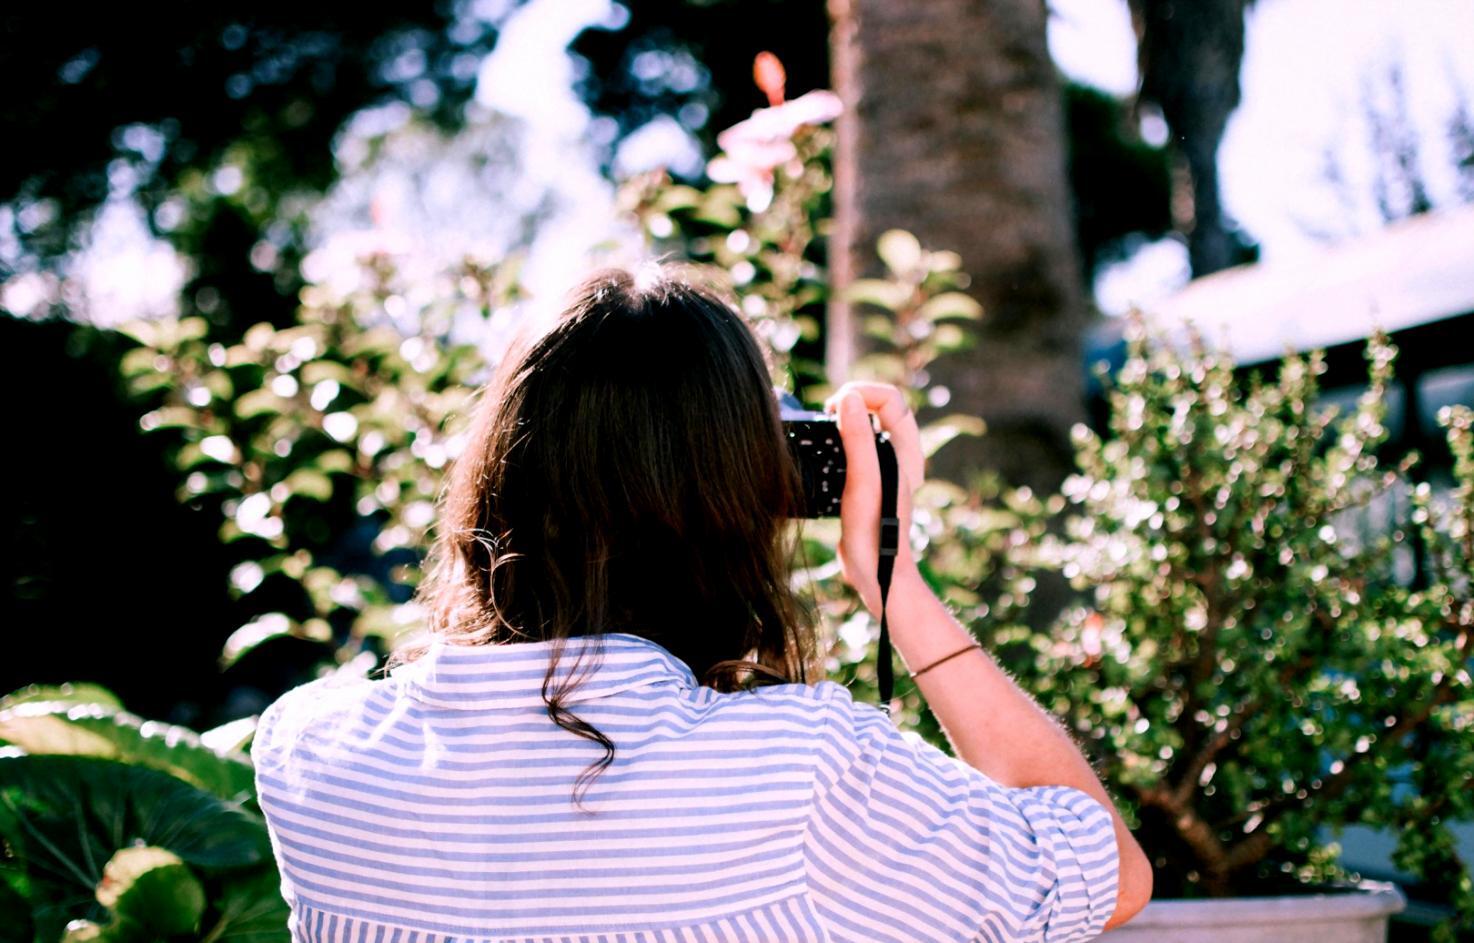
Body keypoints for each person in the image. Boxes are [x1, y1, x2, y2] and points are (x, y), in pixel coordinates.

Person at [251, 259, 1153, 942]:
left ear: (500, 475)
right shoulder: (801, 773)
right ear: (741, 499)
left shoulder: (307, 754)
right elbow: (1108, 871)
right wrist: (896, 585)